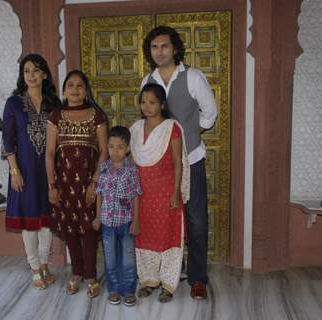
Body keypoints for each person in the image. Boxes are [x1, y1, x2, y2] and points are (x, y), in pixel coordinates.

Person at [141, 25, 217, 299]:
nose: (159, 51)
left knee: (196, 220)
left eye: (164, 46)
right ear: (150, 52)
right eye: (154, 47)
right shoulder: (147, 80)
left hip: (192, 159)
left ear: (174, 48)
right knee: (163, 219)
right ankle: (164, 274)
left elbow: (210, 112)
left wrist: (192, 132)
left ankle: (197, 278)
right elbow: (147, 118)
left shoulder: (193, 77)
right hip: (160, 166)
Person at [45, 70, 108, 298]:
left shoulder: (97, 115)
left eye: (79, 85)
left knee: (89, 230)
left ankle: (91, 275)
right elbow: (50, 153)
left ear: (86, 90)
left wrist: (95, 183)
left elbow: (103, 153)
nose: (74, 89)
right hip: (64, 185)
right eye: (70, 85)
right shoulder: (55, 116)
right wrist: (51, 185)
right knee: (71, 231)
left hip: (90, 185)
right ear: (64, 90)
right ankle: (77, 274)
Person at [2, 53, 62, 289]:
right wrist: (14, 171)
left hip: (49, 170)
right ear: (22, 75)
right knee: (29, 221)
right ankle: (34, 267)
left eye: (36, 70)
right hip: (24, 170)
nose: (31, 75)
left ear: (44, 74)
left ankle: (45, 263)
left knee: (46, 219)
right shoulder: (14, 103)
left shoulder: (54, 104)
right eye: (27, 71)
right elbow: (7, 140)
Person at [129, 83, 189, 303]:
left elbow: (177, 162)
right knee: (144, 237)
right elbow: (130, 161)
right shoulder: (135, 129)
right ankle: (148, 281)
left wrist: (175, 192)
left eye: (152, 102)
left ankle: (168, 285)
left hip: (165, 194)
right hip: (142, 195)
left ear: (162, 104)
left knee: (168, 238)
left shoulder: (171, 128)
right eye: (143, 102)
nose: (147, 106)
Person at [92, 126, 141, 306]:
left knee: (128, 259)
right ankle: (113, 289)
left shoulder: (131, 169)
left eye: (120, 147)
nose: (115, 151)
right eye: (111, 146)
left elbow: (136, 195)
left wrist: (136, 221)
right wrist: (98, 217)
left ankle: (128, 290)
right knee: (110, 258)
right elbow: (99, 194)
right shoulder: (103, 168)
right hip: (107, 223)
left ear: (127, 148)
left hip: (126, 222)